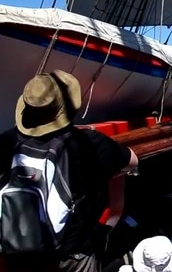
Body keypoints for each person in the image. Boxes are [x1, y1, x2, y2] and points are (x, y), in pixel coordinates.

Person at [0, 70, 138, 272]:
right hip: (71, 255)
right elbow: (132, 161)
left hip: (13, 247)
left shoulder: (6, 141)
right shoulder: (89, 144)